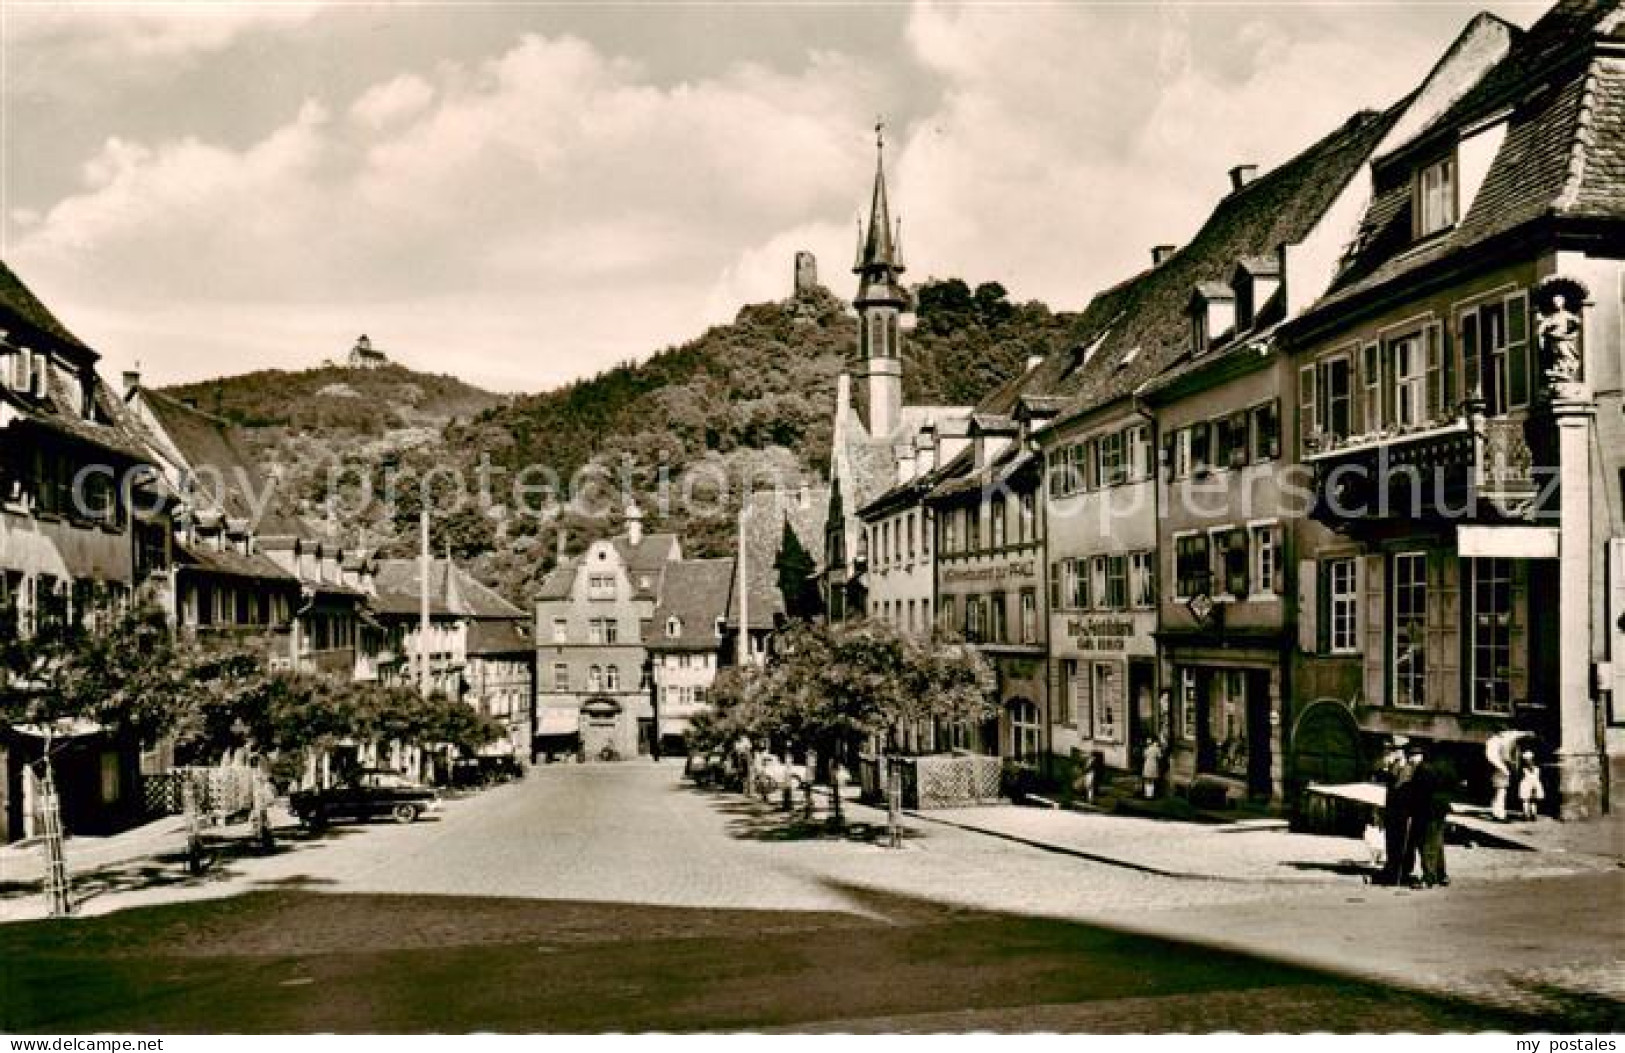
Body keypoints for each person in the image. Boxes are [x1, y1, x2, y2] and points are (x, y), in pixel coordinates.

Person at [1410, 742, 1455, 888]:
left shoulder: (1423, 769)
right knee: (1437, 842)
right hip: (1440, 809)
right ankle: (1442, 875)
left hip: (1427, 811)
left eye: (1414, 755)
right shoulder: (1445, 766)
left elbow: (1420, 794)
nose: (1411, 759)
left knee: (1427, 844)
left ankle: (1428, 877)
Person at [1375, 735, 1418, 886]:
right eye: (1392, 749)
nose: (1393, 752)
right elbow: (1380, 778)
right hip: (1392, 811)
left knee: (1404, 844)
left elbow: (1404, 788)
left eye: (1396, 750)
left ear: (1403, 751)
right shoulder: (1393, 765)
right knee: (1391, 842)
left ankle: (1403, 872)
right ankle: (1391, 869)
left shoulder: (1411, 768)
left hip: (1405, 813)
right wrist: (1385, 766)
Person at [1485, 727, 1536, 821]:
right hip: (1499, 768)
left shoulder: (1501, 738)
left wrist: (1527, 733)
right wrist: (1503, 768)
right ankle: (1499, 814)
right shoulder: (1495, 741)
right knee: (1501, 791)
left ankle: (1497, 812)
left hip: (1501, 766)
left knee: (1500, 791)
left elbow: (1516, 734)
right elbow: (1492, 756)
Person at [1518, 749, 1545, 820]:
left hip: (1526, 784)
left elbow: (1521, 776)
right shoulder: (1537, 768)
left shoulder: (1523, 769)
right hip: (1535, 783)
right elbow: (1538, 776)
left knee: (1526, 800)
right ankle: (1533, 814)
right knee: (1533, 800)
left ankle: (1526, 814)